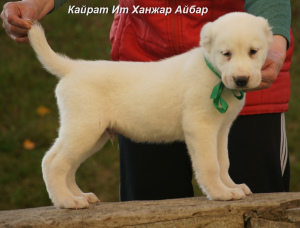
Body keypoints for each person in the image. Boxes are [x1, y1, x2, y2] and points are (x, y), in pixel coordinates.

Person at [1, 0, 294, 201]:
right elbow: (200, 126)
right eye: (228, 55)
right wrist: (35, 3)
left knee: (259, 211)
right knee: (149, 206)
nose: (241, 66)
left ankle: (66, 185)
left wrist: (276, 46)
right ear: (210, 46)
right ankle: (58, 181)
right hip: (137, 69)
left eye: (254, 52)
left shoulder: (243, 55)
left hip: (257, 96)